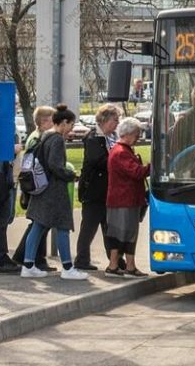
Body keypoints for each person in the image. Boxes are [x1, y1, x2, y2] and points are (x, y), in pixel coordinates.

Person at [20, 104, 88, 280]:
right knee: (63, 226)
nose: (72, 129)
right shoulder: (57, 139)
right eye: (71, 124)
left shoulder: (45, 136)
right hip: (54, 191)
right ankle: (67, 268)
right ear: (64, 122)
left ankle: (28, 265)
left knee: (38, 226)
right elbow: (55, 165)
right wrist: (70, 175)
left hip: (42, 189)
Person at [74, 103, 126, 271]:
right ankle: (82, 259)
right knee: (89, 226)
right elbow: (98, 161)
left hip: (108, 190)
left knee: (109, 227)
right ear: (104, 120)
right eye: (115, 120)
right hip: (94, 190)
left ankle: (115, 260)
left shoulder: (112, 137)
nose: (117, 123)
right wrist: (118, 161)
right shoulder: (93, 138)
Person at [12, 106, 56, 271]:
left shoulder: (36, 136)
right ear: (45, 122)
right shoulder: (39, 139)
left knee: (40, 223)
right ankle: (29, 257)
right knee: (39, 223)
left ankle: (36, 258)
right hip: (38, 185)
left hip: (34, 185)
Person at [105, 117, 150, 278]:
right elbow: (136, 172)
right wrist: (152, 166)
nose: (138, 138)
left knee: (123, 232)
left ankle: (119, 266)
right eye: (137, 135)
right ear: (129, 134)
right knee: (125, 233)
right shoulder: (122, 152)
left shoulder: (119, 150)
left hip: (123, 199)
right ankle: (120, 266)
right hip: (124, 200)